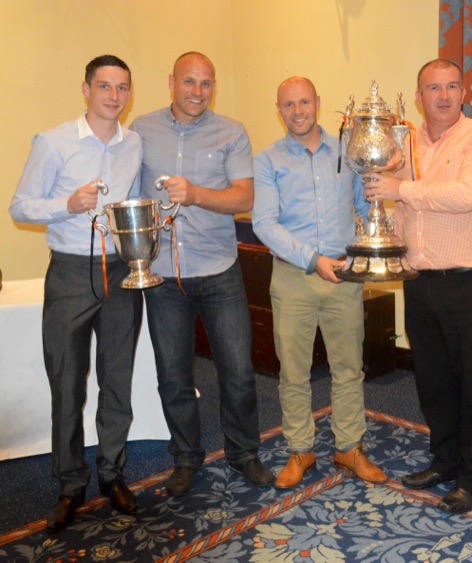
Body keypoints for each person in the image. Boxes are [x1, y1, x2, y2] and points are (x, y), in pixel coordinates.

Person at [363, 59, 472, 514]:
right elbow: (392, 203)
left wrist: (401, 189)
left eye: (451, 87)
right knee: (433, 381)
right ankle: (444, 460)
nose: (443, 96)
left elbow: (465, 196)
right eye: (432, 88)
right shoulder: (404, 144)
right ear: (419, 95)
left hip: (469, 282)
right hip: (419, 281)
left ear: (464, 92)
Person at [129, 52, 273, 495]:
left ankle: (244, 454)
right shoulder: (140, 131)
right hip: (162, 273)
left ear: (215, 87)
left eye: (206, 83)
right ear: (171, 81)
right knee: (173, 375)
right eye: (189, 82)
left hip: (218, 270)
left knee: (237, 372)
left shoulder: (231, 132)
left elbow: (242, 198)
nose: (197, 92)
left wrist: (194, 195)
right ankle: (185, 459)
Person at [9, 55, 143, 532]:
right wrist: (67, 204)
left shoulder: (136, 144)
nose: (113, 96)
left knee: (118, 377)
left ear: (130, 93)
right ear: (85, 89)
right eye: (104, 86)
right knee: (67, 383)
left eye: (122, 87)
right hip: (69, 272)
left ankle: (112, 473)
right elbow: (20, 207)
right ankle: (70, 483)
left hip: (121, 270)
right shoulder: (54, 141)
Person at [252, 76, 387, 488]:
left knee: (348, 368)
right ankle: (301, 450)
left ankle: (349, 447)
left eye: (304, 102)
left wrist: (370, 243)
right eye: (288, 105)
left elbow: (366, 206)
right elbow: (263, 223)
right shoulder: (267, 160)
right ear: (279, 110)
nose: (297, 111)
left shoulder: (348, 151)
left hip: (345, 275)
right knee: (294, 372)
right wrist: (314, 261)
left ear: (318, 103)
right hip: (294, 277)